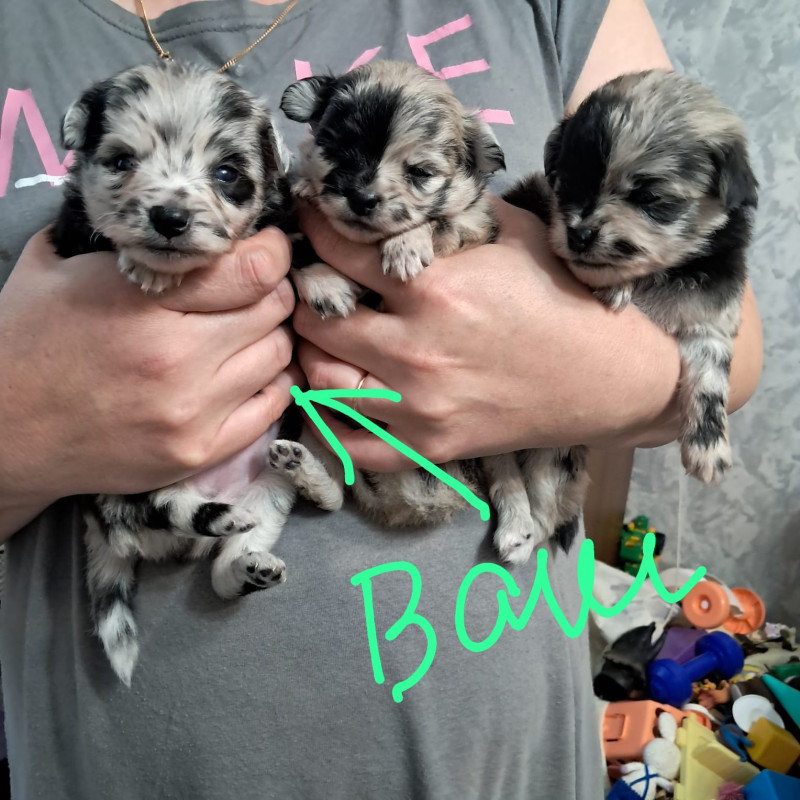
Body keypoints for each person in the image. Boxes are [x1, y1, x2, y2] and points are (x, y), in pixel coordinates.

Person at [0, 0, 763, 798]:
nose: (368, 191)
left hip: (499, 748)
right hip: (127, 752)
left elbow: (729, 337)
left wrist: (576, 366)